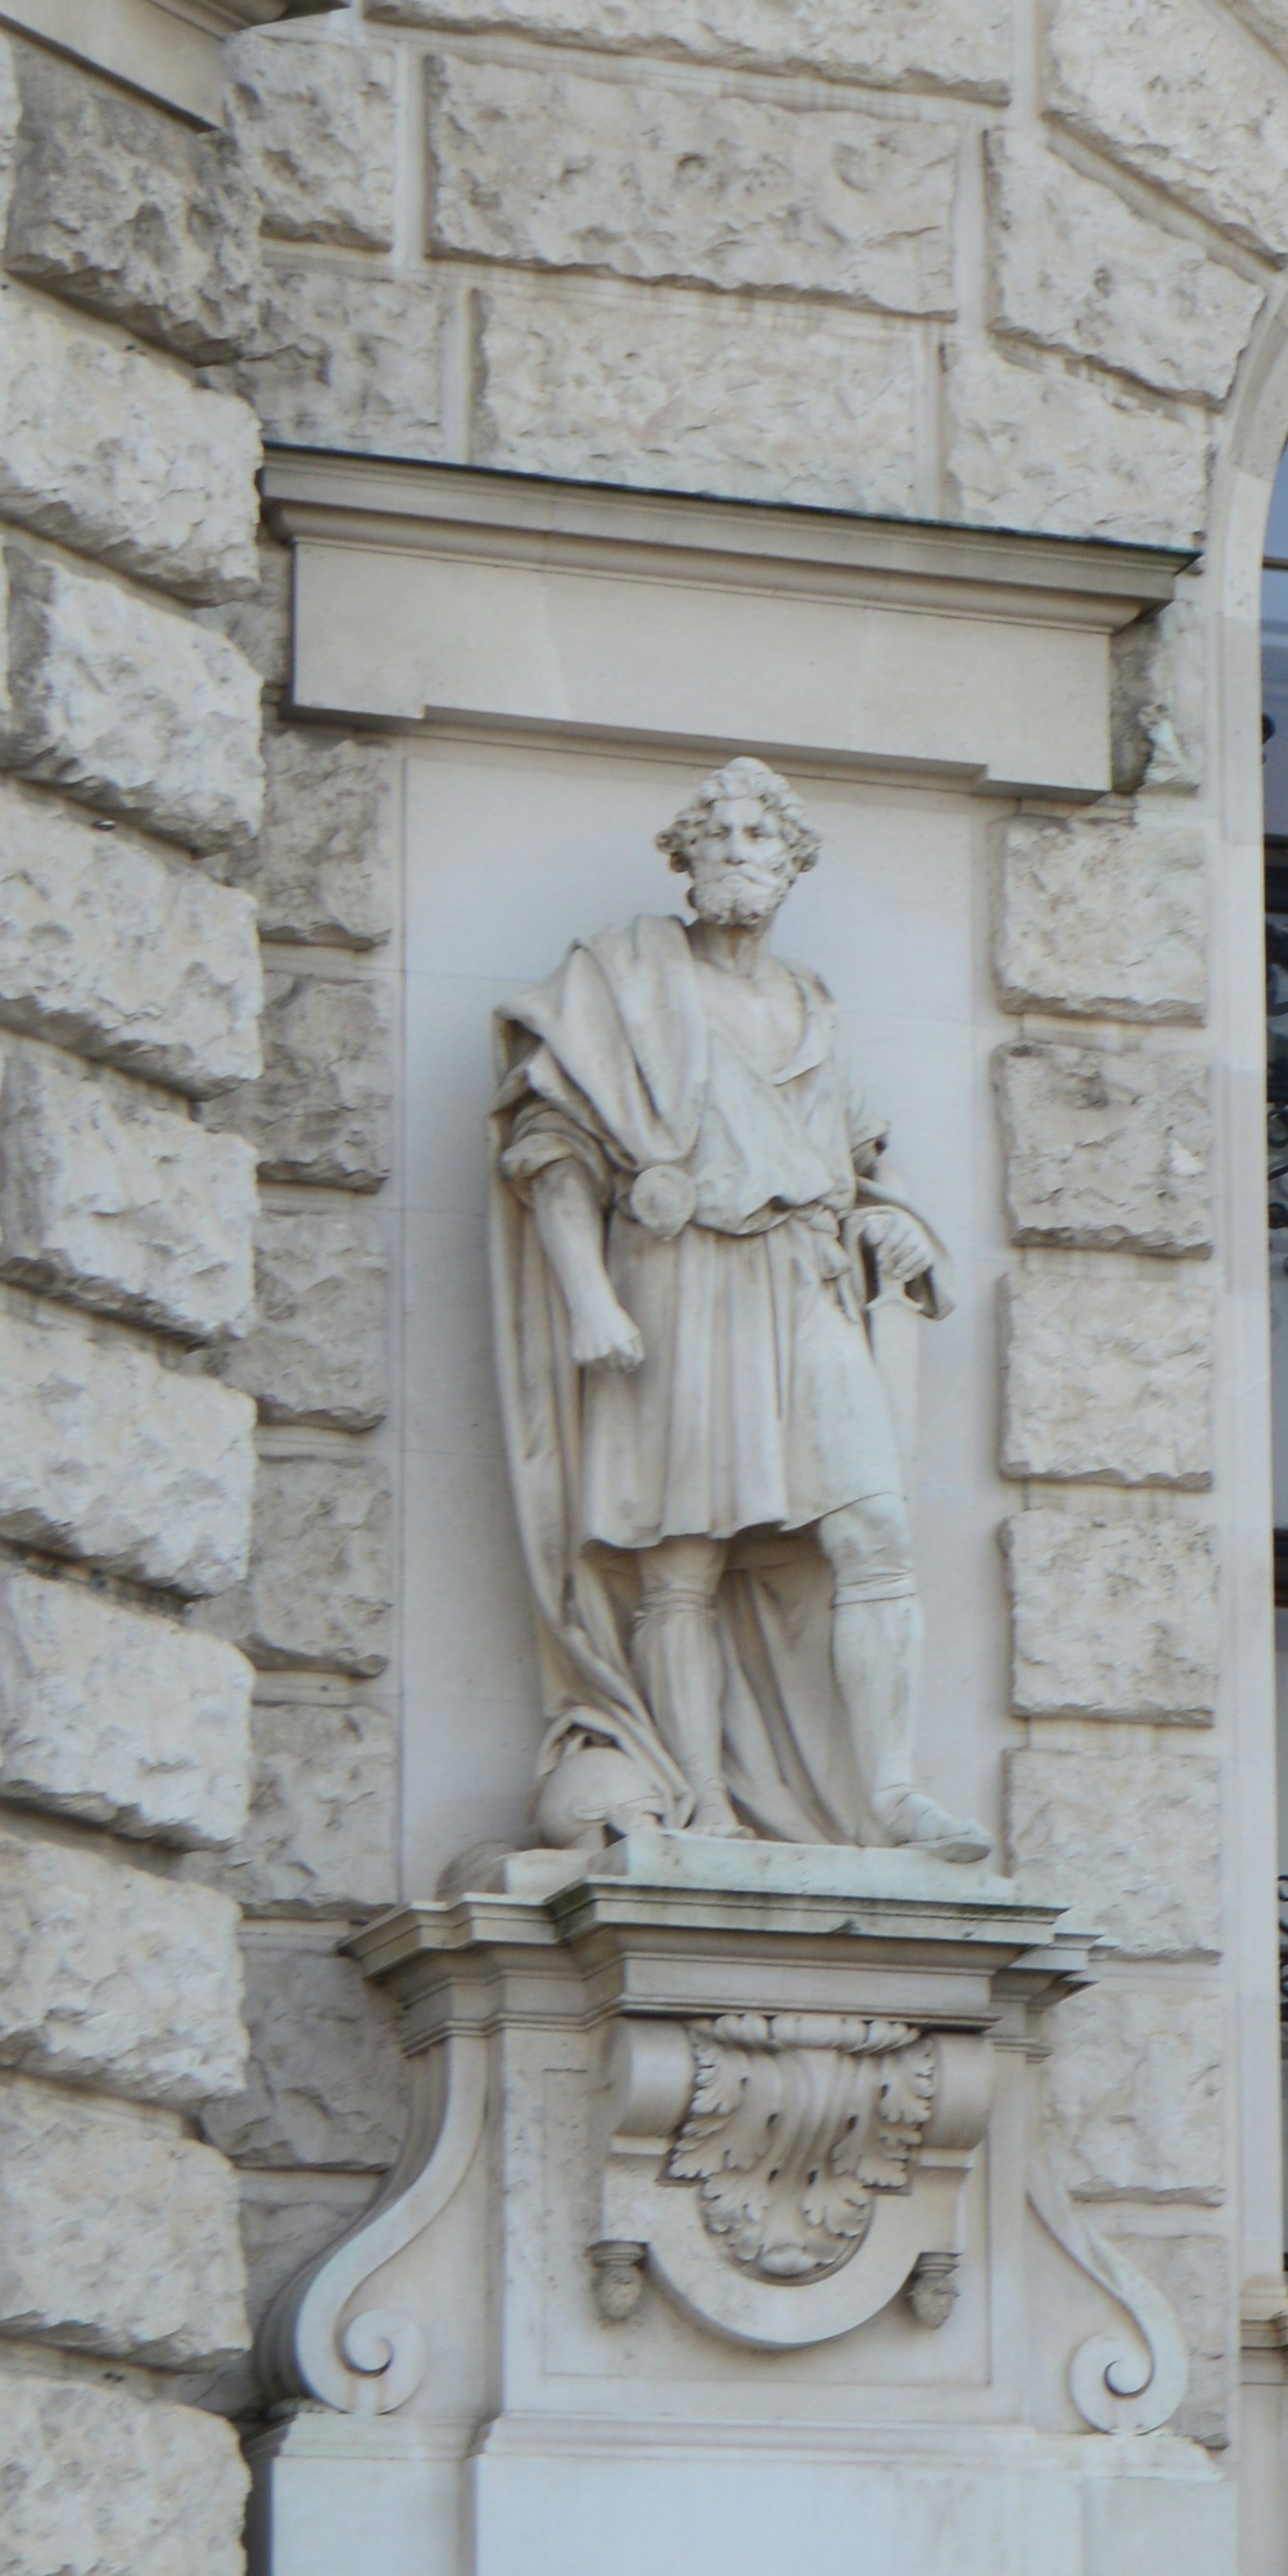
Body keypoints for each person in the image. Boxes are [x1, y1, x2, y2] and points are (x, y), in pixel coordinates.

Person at [493, 758, 982, 1863]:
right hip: (680, 1279)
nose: (741, 862)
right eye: (719, 842)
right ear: (686, 860)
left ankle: (891, 1789)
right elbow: (550, 1147)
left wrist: (887, 1223)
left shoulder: (813, 1002)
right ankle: (702, 1797)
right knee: (681, 1560)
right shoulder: (620, 980)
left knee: (877, 1529)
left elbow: (860, 1165)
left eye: (763, 843)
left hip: (802, 1278)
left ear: (793, 865)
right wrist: (587, 1296)